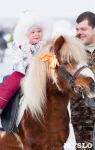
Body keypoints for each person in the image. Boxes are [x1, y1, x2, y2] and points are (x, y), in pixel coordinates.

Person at [0, 11, 52, 120]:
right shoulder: (20, 45)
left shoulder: (46, 45)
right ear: (26, 34)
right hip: (24, 72)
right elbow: (16, 60)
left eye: (39, 31)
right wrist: (26, 67)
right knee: (11, 83)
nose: (36, 34)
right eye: (33, 32)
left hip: (43, 72)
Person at [70, 11, 95, 149]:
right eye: (77, 29)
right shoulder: (71, 52)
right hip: (81, 115)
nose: (79, 33)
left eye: (83, 29)